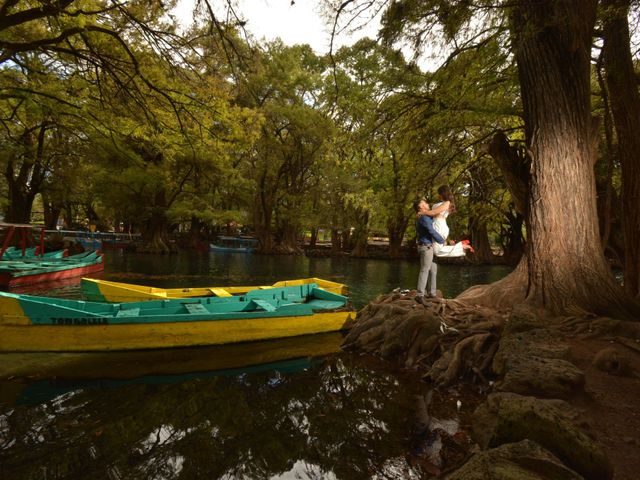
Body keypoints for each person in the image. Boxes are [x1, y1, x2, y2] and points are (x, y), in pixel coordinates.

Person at [423, 185, 473, 257]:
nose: (438, 195)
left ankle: (461, 246)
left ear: (442, 193)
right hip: (437, 226)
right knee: (437, 250)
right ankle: (461, 246)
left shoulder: (447, 203)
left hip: (439, 226)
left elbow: (433, 213)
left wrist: (422, 212)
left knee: (436, 251)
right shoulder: (442, 203)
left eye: (438, 193)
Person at [414, 198, 445, 304]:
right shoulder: (424, 218)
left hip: (428, 247)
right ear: (420, 206)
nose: (427, 204)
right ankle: (420, 295)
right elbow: (431, 230)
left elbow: (436, 224)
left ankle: (432, 293)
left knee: (433, 269)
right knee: (425, 270)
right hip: (426, 247)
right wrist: (441, 240)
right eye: (424, 203)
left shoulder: (424, 217)